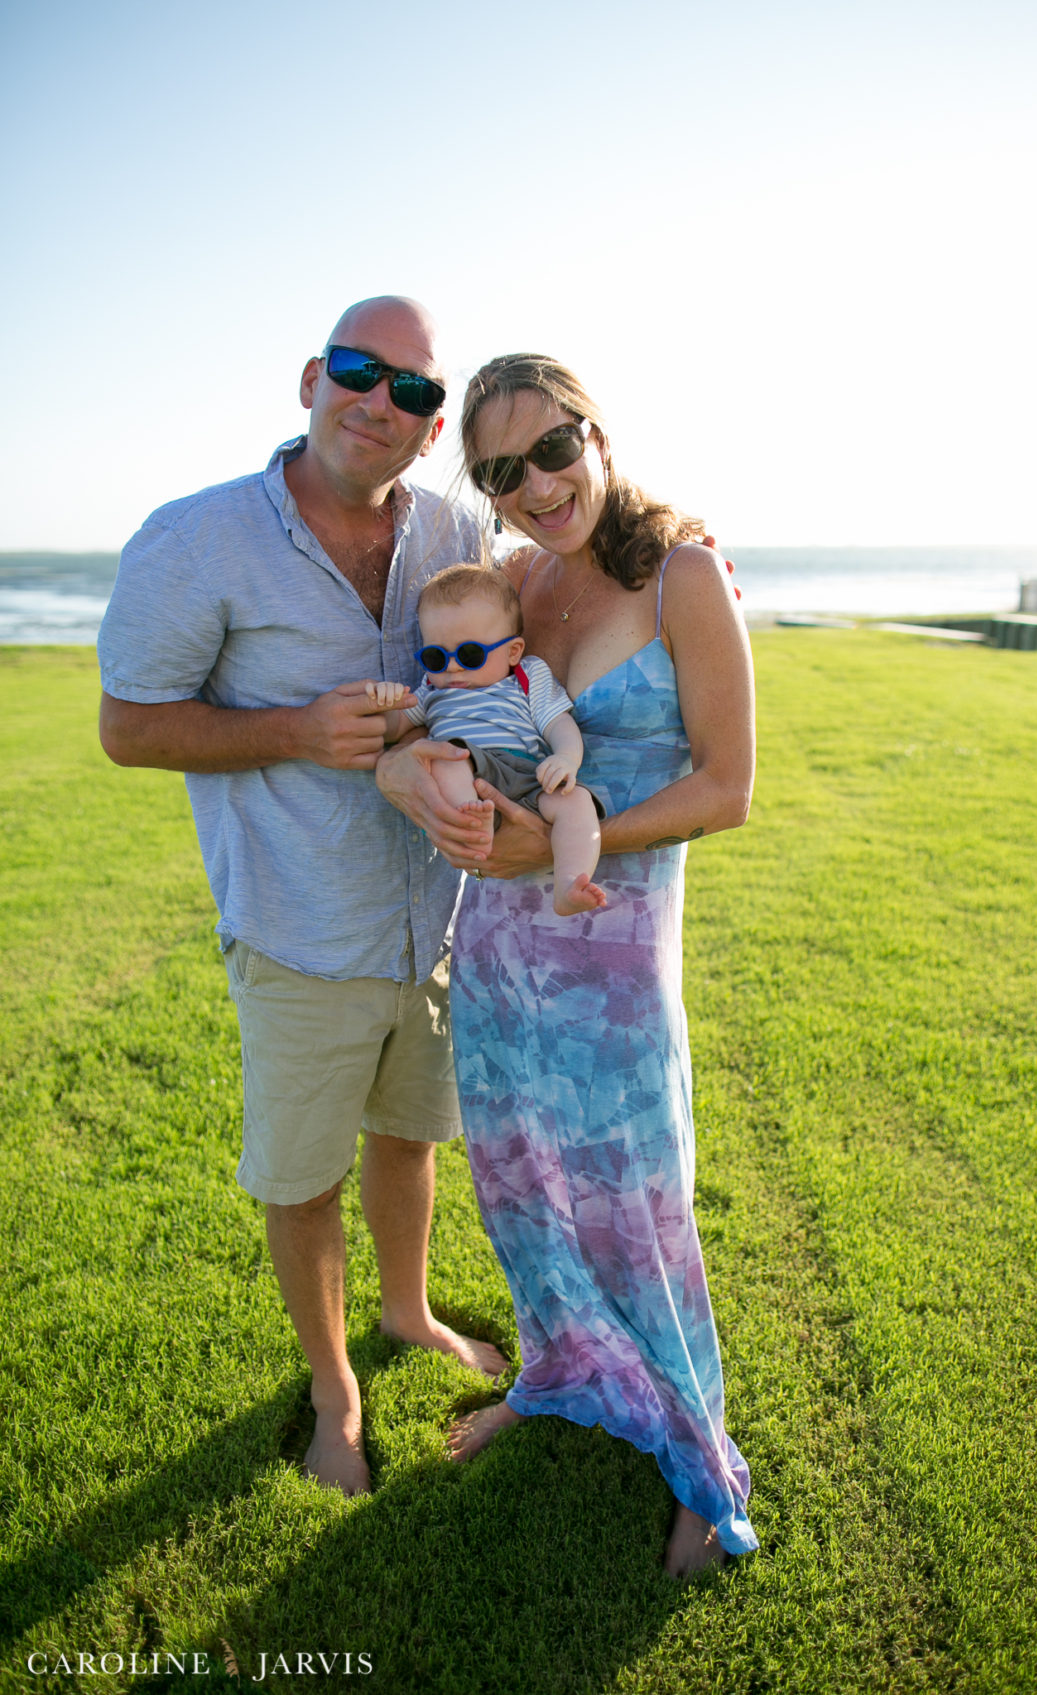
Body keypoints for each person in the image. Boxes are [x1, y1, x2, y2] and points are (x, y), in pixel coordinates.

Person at [96, 296, 507, 1499]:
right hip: (297, 931)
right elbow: (127, 727)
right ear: (309, 379)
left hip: (431, 920)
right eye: (357, 371)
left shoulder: (450, 529)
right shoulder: (193, 540)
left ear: (432, 429)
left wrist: (673, 565)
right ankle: (335, 1388)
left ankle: (407, 1314)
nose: (380, 402)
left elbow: (544, 590)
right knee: (302, 1177)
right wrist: (294, 729)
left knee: (410, 1135)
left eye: (416, 391)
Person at [376, 353, 758, 1576]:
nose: (536, 486)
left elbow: (726, 787)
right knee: (525, 1183)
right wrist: (417, 782)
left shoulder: (682, 575)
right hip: (494, 946)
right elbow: (431, 718)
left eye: (551, 450)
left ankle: (700, 1460)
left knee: (639, 1206)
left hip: (613, 951)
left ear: (595, 434)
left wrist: (565, 841)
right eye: (501, 470)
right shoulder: (510, 585)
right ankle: (559, 1376)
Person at [374, 562, 608, 916]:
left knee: (577, 803)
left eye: (469, 654)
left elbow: (557, 724)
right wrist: (387, 700)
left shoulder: (527, 676)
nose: (451, 667)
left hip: (526, 773)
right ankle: (474, 824)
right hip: (468, 770)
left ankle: (570, 882)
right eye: (435, 657)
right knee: (447, 756)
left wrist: (565, 759)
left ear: (512, 652)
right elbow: (392, 729)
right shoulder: (429, 689)